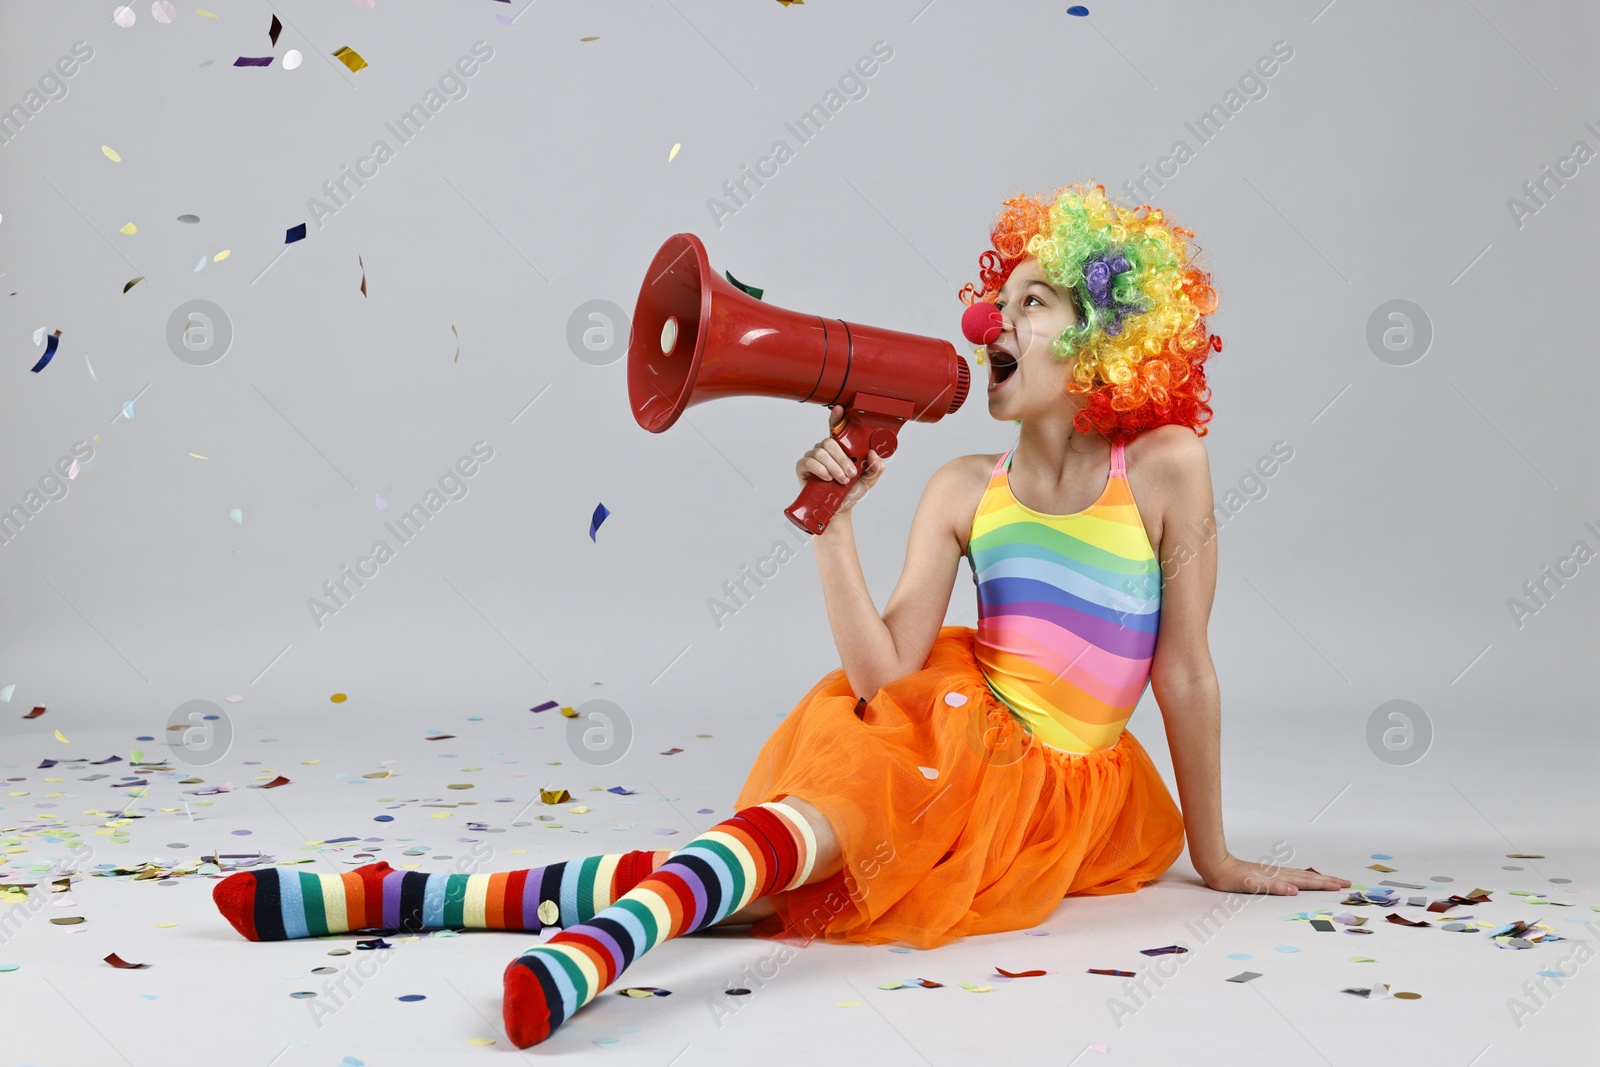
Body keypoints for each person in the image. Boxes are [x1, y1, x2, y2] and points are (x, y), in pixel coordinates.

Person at [211, 183, 1350, 1048]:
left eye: (1027, 304)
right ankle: (579, 942)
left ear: (1103, 336)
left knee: (791, 875)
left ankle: (422, 898)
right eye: (992, 300)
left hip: (1065, 792)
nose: (981, 320)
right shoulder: (961, 487)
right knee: (811, 834)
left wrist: (1214, 851)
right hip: (948, 717)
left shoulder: (1166, 466)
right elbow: (883, 666)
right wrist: (836, 527)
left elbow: (1184, 671)